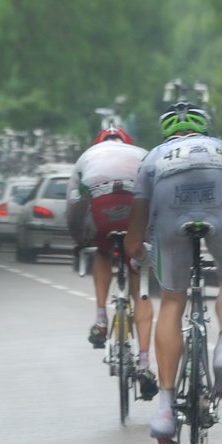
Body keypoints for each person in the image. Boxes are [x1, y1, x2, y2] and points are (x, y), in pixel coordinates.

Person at [125, 102, 222, 442]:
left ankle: (164, 410)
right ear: (204, 131)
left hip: (168, 206)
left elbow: (133, 239)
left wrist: (144, 257)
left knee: (172, 302)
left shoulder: (152, 159)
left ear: (166, 135)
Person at [67, 125, 157, 398]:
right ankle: (143, 362)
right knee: (136, 274)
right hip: (134, 206)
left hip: (102, 206)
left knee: (103, 251)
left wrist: (80, 239)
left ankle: (101, 318)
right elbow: (158, 196)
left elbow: (73, 202)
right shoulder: (144, 154)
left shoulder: (87, 156)